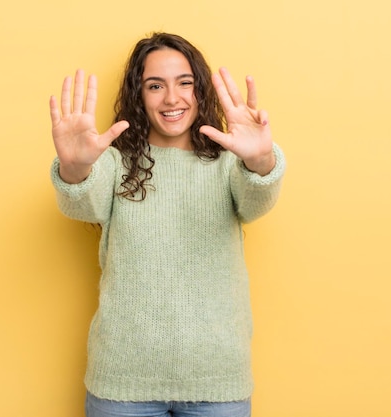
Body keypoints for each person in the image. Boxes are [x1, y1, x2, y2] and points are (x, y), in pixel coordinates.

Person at [49, 32, 286, 417]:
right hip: (123, 382)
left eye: (185, 83)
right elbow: (80, 204)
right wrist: (76, 167)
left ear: (201, 90)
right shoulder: (114, 161)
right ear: (138, 96)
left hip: (217, 380)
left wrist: (260, 162)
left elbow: (258, 200)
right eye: (155, 86)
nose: (172, 98)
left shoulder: (230, 162)